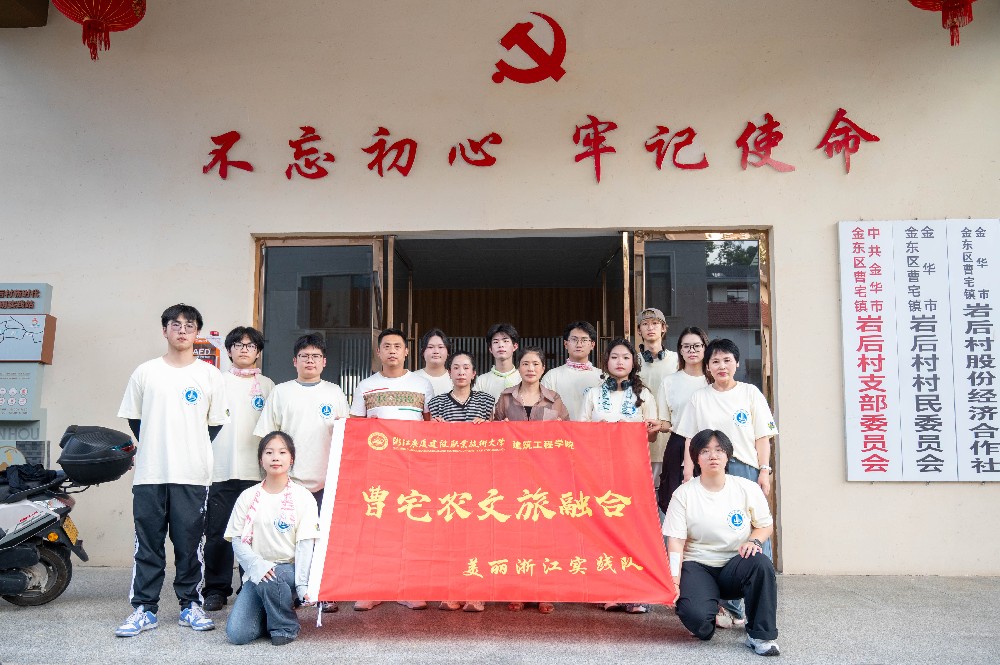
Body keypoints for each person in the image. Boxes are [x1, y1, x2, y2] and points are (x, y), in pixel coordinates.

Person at [115, 303, 229, 637]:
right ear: (164, 330)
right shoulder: (145, 372)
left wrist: (187, 446)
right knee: (148, 545)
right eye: (175, 324)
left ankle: (190, 605)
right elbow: (136, 419)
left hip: (192, 475)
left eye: (189, 325)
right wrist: (156, 444)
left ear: (197, 333)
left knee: (189, 545)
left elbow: (214, 424)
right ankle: (144, 609)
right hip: (150, 474)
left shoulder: (209, 375)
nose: (182, 330)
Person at [674, 337, 778, 628]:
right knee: (718, 530)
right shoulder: (699, 397)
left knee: (752, 532)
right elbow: (690, 439)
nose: (722, 366)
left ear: (737, 363)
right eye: (715, 361)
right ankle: (728, 607)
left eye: (727, 360)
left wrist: (764, 469)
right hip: (708, 470)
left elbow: (762, 436)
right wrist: (688, 471)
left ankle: (756, 607)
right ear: (707, 366)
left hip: (744, 469)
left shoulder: (750, 393)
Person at [664, 430, 779, 657]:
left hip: (735, 564)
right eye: (705, 451)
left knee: (761, 563)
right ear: (696, 458)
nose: (713, 456)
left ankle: (760, 636)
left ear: (728, 456)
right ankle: (708, 611)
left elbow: (765, 525)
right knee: (699, 623)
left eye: (719, 450)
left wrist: (754, 540)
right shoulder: (683, 494)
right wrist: (674, 582)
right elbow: (675, 542)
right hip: (698, 566)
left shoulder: (746, 488)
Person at [351, 327, 434, 611]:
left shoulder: (422, 384)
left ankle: (407, 588)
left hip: (413, 467)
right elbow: (356, 429)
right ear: (378, 351)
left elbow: (430, 426)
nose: (392, 351)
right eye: (386, 346)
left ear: (406, 351)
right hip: (378, 467)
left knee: (409, 527)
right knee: (377, 526)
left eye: (397, 346)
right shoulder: (365, 385)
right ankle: (373, 588)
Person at [579, 337, 659, 614]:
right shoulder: (592, 394)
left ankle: (635, 592)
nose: (620, 362)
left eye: (625, 357)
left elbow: (651, 435)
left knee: (633, 530)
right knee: (603, 528)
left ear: (633, 362)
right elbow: (580, 432)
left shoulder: (644, 394)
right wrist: (600, 429)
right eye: (614, 357)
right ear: (606, 361)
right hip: (600, 471)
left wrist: (635, 428)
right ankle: (607, 590)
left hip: (632, 472)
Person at [203, 326, 276, 613]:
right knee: (218, 533)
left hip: (255, 473)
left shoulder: (268, 386)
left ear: (258, 352)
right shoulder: (216, 381)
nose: (245, 349)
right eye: (239, 344)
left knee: (253, 534)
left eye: (250, 345)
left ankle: (250, 585)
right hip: (220, 470)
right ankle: (215, 589)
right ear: (229, 350)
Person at [224, 432, 320, 646]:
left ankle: (285, 627)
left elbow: (305, 545)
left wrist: (302, 586)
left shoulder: (303, 497)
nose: (275, 457)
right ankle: (272, 611)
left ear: (291, 458)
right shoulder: (247, 496)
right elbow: (237, 540)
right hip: (258, 570)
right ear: (261, 459)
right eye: (269, 452)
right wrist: (257, 565)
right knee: (238, 634)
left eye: (282, 452)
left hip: (289, 569)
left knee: (273, 577)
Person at [493, 347, 568, 615]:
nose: (530, 368)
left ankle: (544, 590)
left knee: (545, 536)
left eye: (536, 364)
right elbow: (492, 435)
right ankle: (519, 589)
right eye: (525, 363)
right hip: (512, 475)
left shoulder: (554, 399)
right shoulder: (505, 397)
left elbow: (568, 436)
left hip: (546, 477)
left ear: (543, 368)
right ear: (519, 367)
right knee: (516, 535)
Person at [428, 350, 494, 612]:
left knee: (478, 535)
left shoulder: (487, 401)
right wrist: (434, 427)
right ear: (449, 372)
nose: (461, 372)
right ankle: (452, 589)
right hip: (448, 478)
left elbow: (500, 436)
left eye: (466, 367)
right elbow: (426, 440)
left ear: (474, 373)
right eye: (456, 367)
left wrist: (487, 427)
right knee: (450, 535)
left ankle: (476, 592)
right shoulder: (437, 404)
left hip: (479, 478)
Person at [253, 334, 349, 510]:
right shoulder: (280, 392)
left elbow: (347, 435)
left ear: (324, 362)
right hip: (287, 480)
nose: (310, 360)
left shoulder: (335, 392)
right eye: (304, 356)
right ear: (295, 361)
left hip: (327, 481)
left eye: (316, 356)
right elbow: (267, 437)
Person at [655, 326, 710, 515]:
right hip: (677, 445)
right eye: (686, 346)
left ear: (705, 347)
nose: (691, 350)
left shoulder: (713, 381)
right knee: (675, 502)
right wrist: (658, 425)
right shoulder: (669, 382)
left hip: (710, 444)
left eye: (696, 346)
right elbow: (667, 423)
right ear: (680, 350)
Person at [635, 308, 679, 487]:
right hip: (640, 443)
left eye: (655, 323)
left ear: (664, 328)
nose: (650, 327)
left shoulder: (678, 361)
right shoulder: (630, 362)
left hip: (671, 440)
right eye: (645, 324)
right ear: (639, 331)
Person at [540, 321, 603, 421]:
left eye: (584, 340)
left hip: (592, 430)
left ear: (592, 345)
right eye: (574, 340)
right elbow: (542, 410)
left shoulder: (602, 377)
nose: (579, 344)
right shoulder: (552, 376)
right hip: (561, 430)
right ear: (566, 344)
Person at [476, 323, 521, 401]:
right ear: (490, 349)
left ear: (515, 346)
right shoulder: (481, 381)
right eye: (496, 342)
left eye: (505, 341)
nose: (500, 345)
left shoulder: (523, 378)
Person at [412, 328, 454, 396]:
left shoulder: (455, 379)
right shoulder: (413, 378)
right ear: (423, 351)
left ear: (448, 352)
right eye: (430, 347)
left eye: (440, 347)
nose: (436, 351)